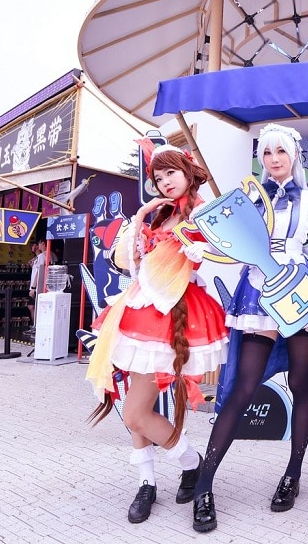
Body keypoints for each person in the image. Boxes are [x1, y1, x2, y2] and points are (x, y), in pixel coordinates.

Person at [191, 124, 308, 533]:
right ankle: (203, 485)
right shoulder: (250, 197)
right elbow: (232, 241)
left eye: (280, 152)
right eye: (267, 153)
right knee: (243, 386)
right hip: (259, 287)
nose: (274, 159)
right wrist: (204, 250)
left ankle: (293, 474)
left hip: (299, 290)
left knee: (301, 382)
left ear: (294, 155)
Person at [85, 145, 228, 525]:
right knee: (137, 408)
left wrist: (197, 246)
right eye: (158, 177)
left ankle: (190, 461)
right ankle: (147, 482)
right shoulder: (161, 213)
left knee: (134, 413)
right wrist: (140, 217)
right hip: (141, 309)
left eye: (170, 173)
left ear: (187, 172)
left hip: (173, 311)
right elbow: (132, 264)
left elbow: (218, 251)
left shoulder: (201, 211)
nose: (164, 182)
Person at [26, 241, 59, 336]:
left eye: (39, 244)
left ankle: (36, 326)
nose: (38, 246)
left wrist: (33, 287)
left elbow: (39, 272)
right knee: (38, 307)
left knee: (35, 306)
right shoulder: (52, 255)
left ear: (43, 244)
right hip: (48, 284)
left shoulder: (42, 256)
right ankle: (37, 326)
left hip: (38, 285)